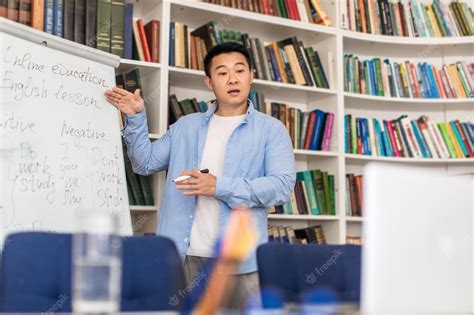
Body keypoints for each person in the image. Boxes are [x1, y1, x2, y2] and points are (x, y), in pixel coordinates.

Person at [104, 42, 296, 308]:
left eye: (240, 70)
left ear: (251, 75)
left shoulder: (271, 130)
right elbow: (145, 163)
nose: (232, 78)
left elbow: (281, 187)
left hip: (238, 261)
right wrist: (136, 118)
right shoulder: (186, 126)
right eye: (222, 72)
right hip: (181, 258)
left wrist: (219, 186)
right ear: (209, 82)